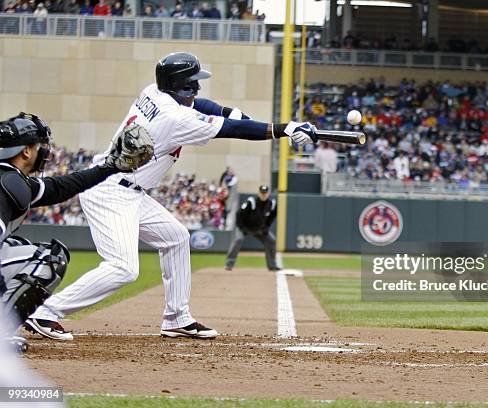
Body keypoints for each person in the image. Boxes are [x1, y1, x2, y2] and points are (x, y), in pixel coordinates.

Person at [28, 52, 317, 341]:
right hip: (110, 190)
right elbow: (231, 130)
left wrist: (231, 112)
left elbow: (203, 107)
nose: (197, 89)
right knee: (123, 268)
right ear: (179, 85)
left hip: (128, 189)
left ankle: (177, 318)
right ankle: (45, 311)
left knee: (176, 238)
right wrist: (283, 129)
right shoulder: (174, 118)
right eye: (192, 83)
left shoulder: (154, 92)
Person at [0, 113, 152, 344]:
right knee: (49, 259)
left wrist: (109, 166)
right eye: (38, 146)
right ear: (26, 151)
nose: (44, 151)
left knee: (17, 247)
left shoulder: (12, 179)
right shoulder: (9, 184)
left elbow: (60, 187)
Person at [224, 185, 278, 272]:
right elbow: (239, 214)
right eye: (262, 193)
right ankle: (229, 264)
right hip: (245, 227)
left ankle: (272, 265)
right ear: (259, 193)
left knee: (271, 241)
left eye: (265, 193)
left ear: (268, 194)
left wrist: (266, 228)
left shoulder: (271, 204)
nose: (263, 195)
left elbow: (271, 217)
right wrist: (242, 228)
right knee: (238, 240)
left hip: (258, 229)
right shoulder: (251, 202)